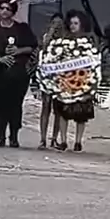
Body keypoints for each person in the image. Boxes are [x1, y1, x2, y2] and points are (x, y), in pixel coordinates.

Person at [53, 10, 110, 153]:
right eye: (71, 23)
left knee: (81, 113)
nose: (73, 26)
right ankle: (63, 140)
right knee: (63, 111)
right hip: (66, 80)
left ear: (82, 24)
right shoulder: (64, 40)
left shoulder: (89, 41)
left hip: (83, 80)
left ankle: (78, 141)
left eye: (76, 23)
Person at [0, 0, 37, 148]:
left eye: (8, 8)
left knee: (16, 104)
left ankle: (14, 135)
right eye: (2, 8)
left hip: (19, 74)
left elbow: (32, 47)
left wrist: (18, 50)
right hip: (0, 74)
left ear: (13, 11)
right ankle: (0, 135)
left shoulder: (22, 28)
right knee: (1, 104)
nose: (5, 11)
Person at [37, 13, 63, 149]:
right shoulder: (46, 37)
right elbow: (43, 50)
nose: (57, 26)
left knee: (58, 110)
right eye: (54, 23)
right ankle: (43, 138)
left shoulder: (66, 40)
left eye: (59, 24)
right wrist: (50, 35)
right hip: (47, 77)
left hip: (61, 78)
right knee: (45, 107)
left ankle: (54, 138)